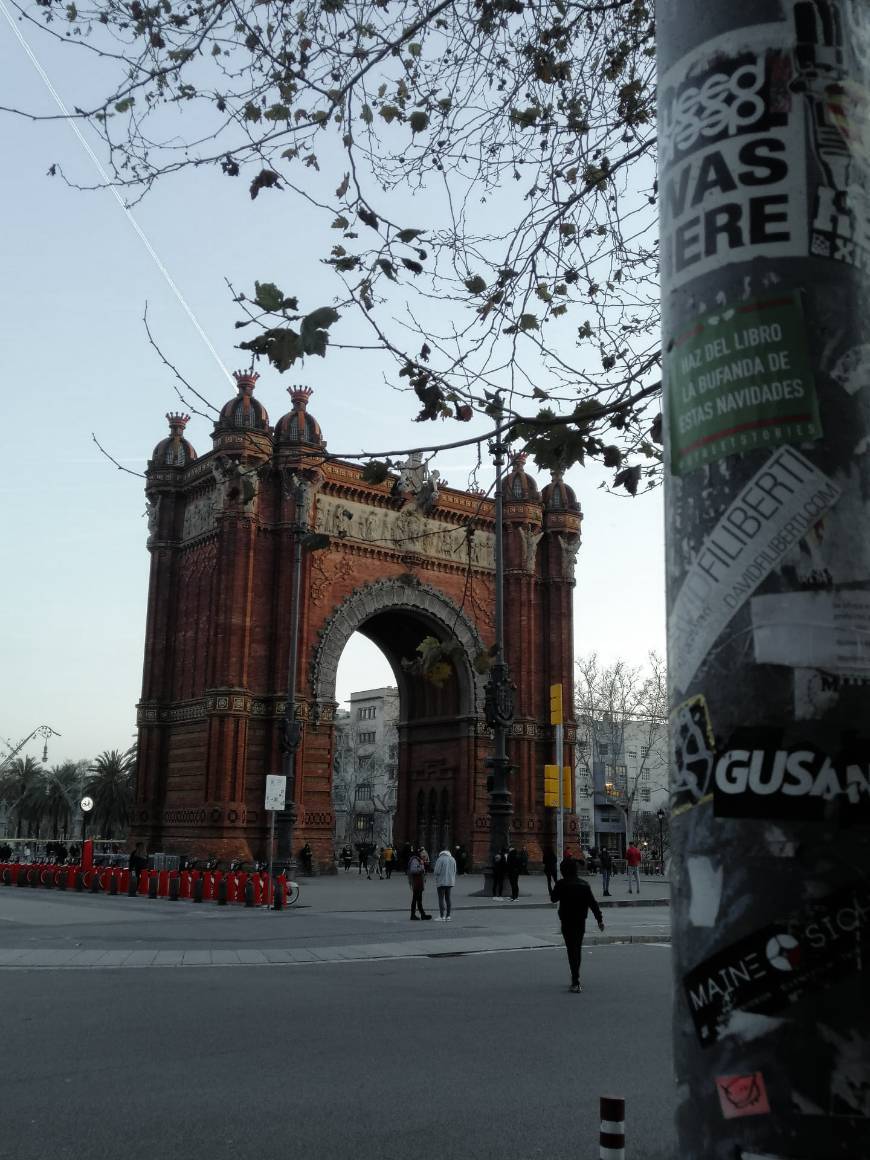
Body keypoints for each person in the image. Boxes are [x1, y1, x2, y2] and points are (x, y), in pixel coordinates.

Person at [549, 858, 605, 992]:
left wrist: (553, 884)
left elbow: (553, 898)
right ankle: (576, 978)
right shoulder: (584, 884)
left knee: (570, 949)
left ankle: (575, 979)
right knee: (577, 948)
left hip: (566, 920)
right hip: (580, 920)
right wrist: (599, 920)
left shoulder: (562, 884)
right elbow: (593, 903)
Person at [407, 847, 432, 920]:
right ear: (421, 855)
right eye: (424, 857)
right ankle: (414, 915)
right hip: (416, 882)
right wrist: (421, 866)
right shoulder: (415, 860)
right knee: (416, 899)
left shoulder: (418, 860)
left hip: (419, 882)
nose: (424, 859)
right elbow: (413, 870)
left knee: (418, 899)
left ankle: (422, 914)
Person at [433, 847, 457, 920]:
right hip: (450, 882)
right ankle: (448, 915)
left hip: (441, 882)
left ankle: (441, 916)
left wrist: (436, 877)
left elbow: (436, 871)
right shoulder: (452, 859)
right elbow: (455, 870)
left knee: (441, 898)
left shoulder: (440, 859)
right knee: (448, 898)